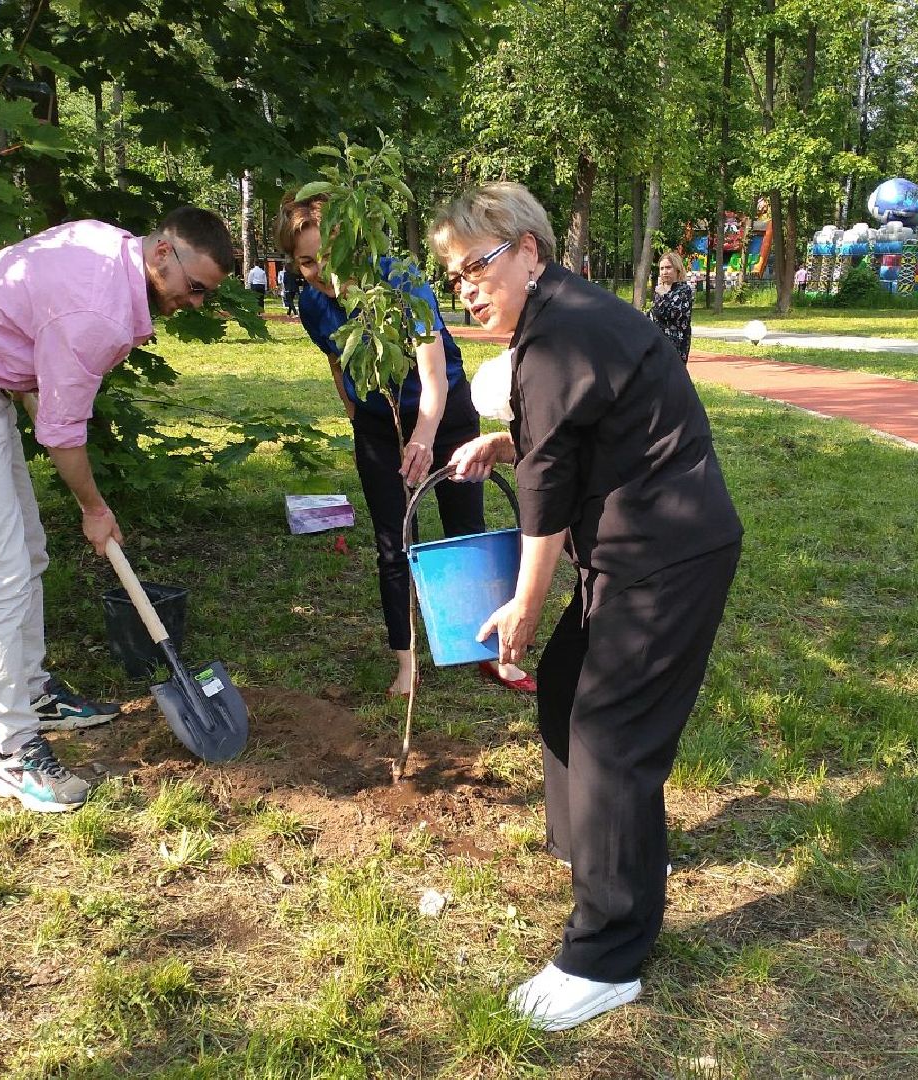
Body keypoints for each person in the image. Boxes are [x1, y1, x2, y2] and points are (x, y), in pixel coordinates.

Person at [432, 183, 742, 1032]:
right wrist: (507, 441)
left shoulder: (559, 332)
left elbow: (548, 492)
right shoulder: (559, 322)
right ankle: (608, 856)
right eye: (455, 276)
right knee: (569, 688)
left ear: (529, 249)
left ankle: (605, 957)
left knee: (609, 733)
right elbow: (573, 435)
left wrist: (525, 606)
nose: (466, 288)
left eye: (476, 266)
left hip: (665, 556)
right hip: (638, 550)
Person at [0, 207, 233, 813]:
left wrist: (31, 386)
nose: (195, 302)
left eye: (205, 292)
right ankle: (13, 753)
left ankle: (33, 694)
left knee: (26, 554)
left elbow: (30, 329)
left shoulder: (107, 244)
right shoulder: (98, 313)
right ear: (162, 252)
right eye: (195, 286)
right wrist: (94, 510)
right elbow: (62, 432)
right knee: (0, 572)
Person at [274, 195, 535, 697]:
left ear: (351, 243)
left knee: (466, 531)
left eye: (326, 256)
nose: (319, 271)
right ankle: (407, 662)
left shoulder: (399, 281)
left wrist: (422, 437)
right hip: (379, 426)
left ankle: (490, 651)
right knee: (393, 546)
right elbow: (338, 360)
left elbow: (432, 372)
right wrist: (358, 416)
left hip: (446, 415)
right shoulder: (312, 303)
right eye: (305, 262)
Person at [647, 250, 694, 363]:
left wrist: (663, 295)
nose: (664, 272)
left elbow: (673, 314)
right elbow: (654, 315)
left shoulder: (683, 290)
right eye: (662, 268)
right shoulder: (659, 291)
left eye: (668, 268)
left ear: (677, 269)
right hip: (657, 345)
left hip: (675, 347)